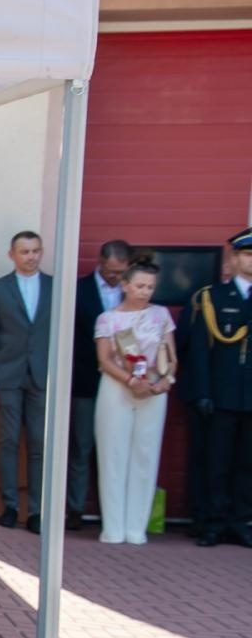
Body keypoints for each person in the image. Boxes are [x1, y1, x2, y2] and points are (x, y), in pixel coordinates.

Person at [91, 261, 176, 546]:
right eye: (140, 286)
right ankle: (113, 527)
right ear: (125, 285)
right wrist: (130, 381)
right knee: (113, 456)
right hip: (117, 388)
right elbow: (104, 360)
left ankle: (136, 527)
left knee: (145, 455)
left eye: (150, 287)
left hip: (152, 389)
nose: (145, 292)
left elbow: (170, 356)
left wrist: (166, 380)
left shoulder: (161, 315)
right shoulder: (108, 319)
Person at [0, 230, 53, 533]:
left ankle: (37, 510)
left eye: (35, 251)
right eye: (24, 252)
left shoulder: (54, 287)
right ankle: (9, 505)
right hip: (7, 376)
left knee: (39, 444)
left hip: (42, 377)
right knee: (7, 442)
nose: (31, 257)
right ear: (12, 255)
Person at [186, 227, 252, 548]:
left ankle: (241, 522)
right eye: (248, 255)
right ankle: (212, 522)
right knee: (217, 463)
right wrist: (203, 392)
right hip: (221, 396)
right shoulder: (212, 298)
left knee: (247, 465)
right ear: (235, 259)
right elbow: (199, 352)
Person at [70, 240, 132, 529]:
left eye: (120, 272)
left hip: (120, 382)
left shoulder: (131, 292)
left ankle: (112, 511)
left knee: (114, 447)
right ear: (100, 262)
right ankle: (75, 509)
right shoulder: (78, 289)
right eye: (109, 271)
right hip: (85, 380)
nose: (114, 278)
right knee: (81, 445)